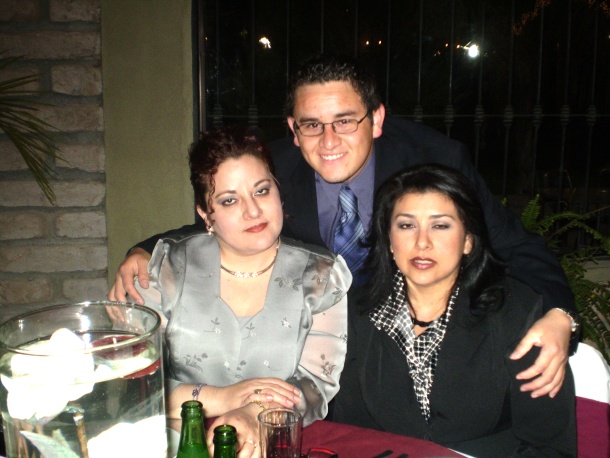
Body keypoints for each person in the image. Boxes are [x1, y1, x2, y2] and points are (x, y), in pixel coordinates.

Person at [109, 54, 578, 399]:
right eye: (311, 126)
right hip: (305, 361)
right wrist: (144, 250)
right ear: (294, 129)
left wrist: (560, 315)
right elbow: (218, 220)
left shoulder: (433, 160)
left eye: (345, 121)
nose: (328, 142)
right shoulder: (274, 174)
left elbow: (513, 243)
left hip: (409, 356)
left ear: (376, 119)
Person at [129, 127, 351, 457]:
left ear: (279, 191)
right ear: (205, 214)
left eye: (262, 191)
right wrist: (226, 398)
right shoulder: (165, 270)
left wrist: (255, 414)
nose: (253, 211)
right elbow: (134, 385)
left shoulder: (321, 274)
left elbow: (315, 384)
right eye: (229, 200)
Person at [333, 164, 576, 457]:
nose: (422, 242)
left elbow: (548, 447)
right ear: (389, 241)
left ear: (468, 241)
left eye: (441, 225)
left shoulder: (516, 313)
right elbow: (349, 436)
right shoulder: (356, 316)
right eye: (407, 225)